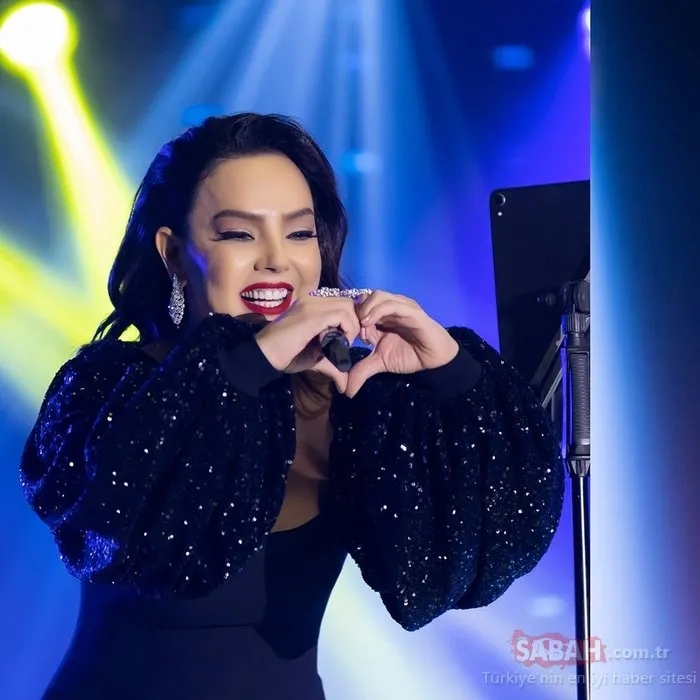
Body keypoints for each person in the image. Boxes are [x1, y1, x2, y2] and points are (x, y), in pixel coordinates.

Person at [19, 113, 565, 700]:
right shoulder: (108, 386)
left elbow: (491, 547)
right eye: (240, 234)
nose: (276, 259)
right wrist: (254, 358)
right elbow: (115, 517)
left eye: (300, 233)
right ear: (174, 253)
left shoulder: (348, 396)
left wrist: (452, 371)